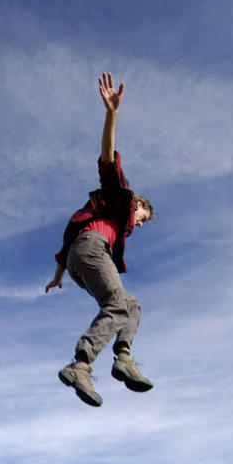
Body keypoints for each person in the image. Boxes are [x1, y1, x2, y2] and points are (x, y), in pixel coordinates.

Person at [45, 72, 154, 407]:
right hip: (91, 249)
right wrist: (112, 114)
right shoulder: (119, 197)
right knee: (118, 304)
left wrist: (58, 277)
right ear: (136, 204)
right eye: (142, 216)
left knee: (131, 305)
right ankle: (82, 363)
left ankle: (124, 358)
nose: (138, 222)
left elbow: (66, 252)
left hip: (80, 259)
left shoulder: (114, 229)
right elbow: (107, 158)